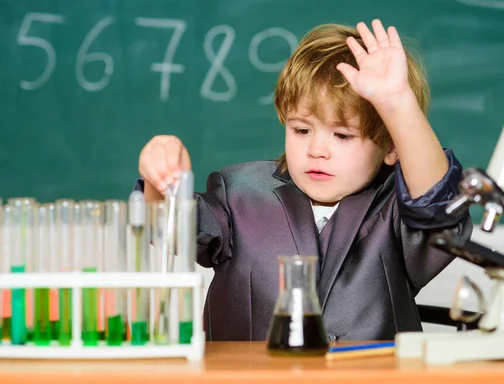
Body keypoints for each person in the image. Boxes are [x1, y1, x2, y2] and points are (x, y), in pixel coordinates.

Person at [135, 19, 472, 341]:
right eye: (301, 130)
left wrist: (398, 105)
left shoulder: (396, 213)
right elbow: (168, 227)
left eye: (342, 135)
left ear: (392, 146)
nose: (317, 150)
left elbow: (437, 207)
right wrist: (160, 179)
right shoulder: (239, 194)